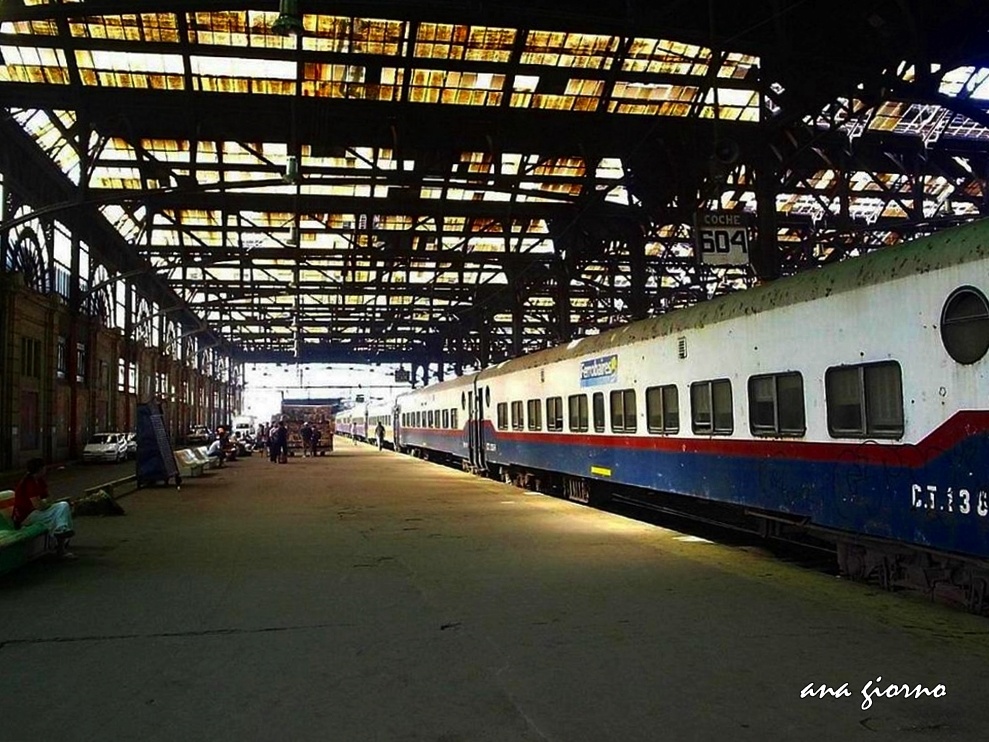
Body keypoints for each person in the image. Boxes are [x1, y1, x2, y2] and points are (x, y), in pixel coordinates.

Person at [12, 458, 75, 558]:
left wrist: (46, 503)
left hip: (36, 513)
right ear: (40, 469)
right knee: (62, 509)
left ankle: (62, 532)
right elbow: (39, 506)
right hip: (26, 517)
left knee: (62, 509)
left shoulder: (39, 481)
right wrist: (46, 503)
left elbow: (49, 498)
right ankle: (62, 536)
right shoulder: (29, 483)